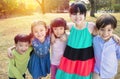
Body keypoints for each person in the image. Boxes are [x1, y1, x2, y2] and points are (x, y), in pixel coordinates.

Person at [56, 3, 96, 79]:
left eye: (81, 13)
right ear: (70, 15)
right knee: (68, 75)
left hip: (85, 58)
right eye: (74, 14)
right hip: (71, 57)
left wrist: (114, 36)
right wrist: (64, 33)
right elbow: (56, 27)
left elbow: (103, 34)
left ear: (85, 14)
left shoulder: (90, 26)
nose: (77, 17)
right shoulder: (70, 26)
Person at [93, 14, 120, 79]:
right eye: (102, 29)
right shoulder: (95, 39)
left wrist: (113, 36)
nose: (105, 33)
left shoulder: (116, 43)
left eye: (109, 30)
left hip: (110, 73)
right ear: (98, 29)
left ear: (113, 29)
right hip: (96, 71)